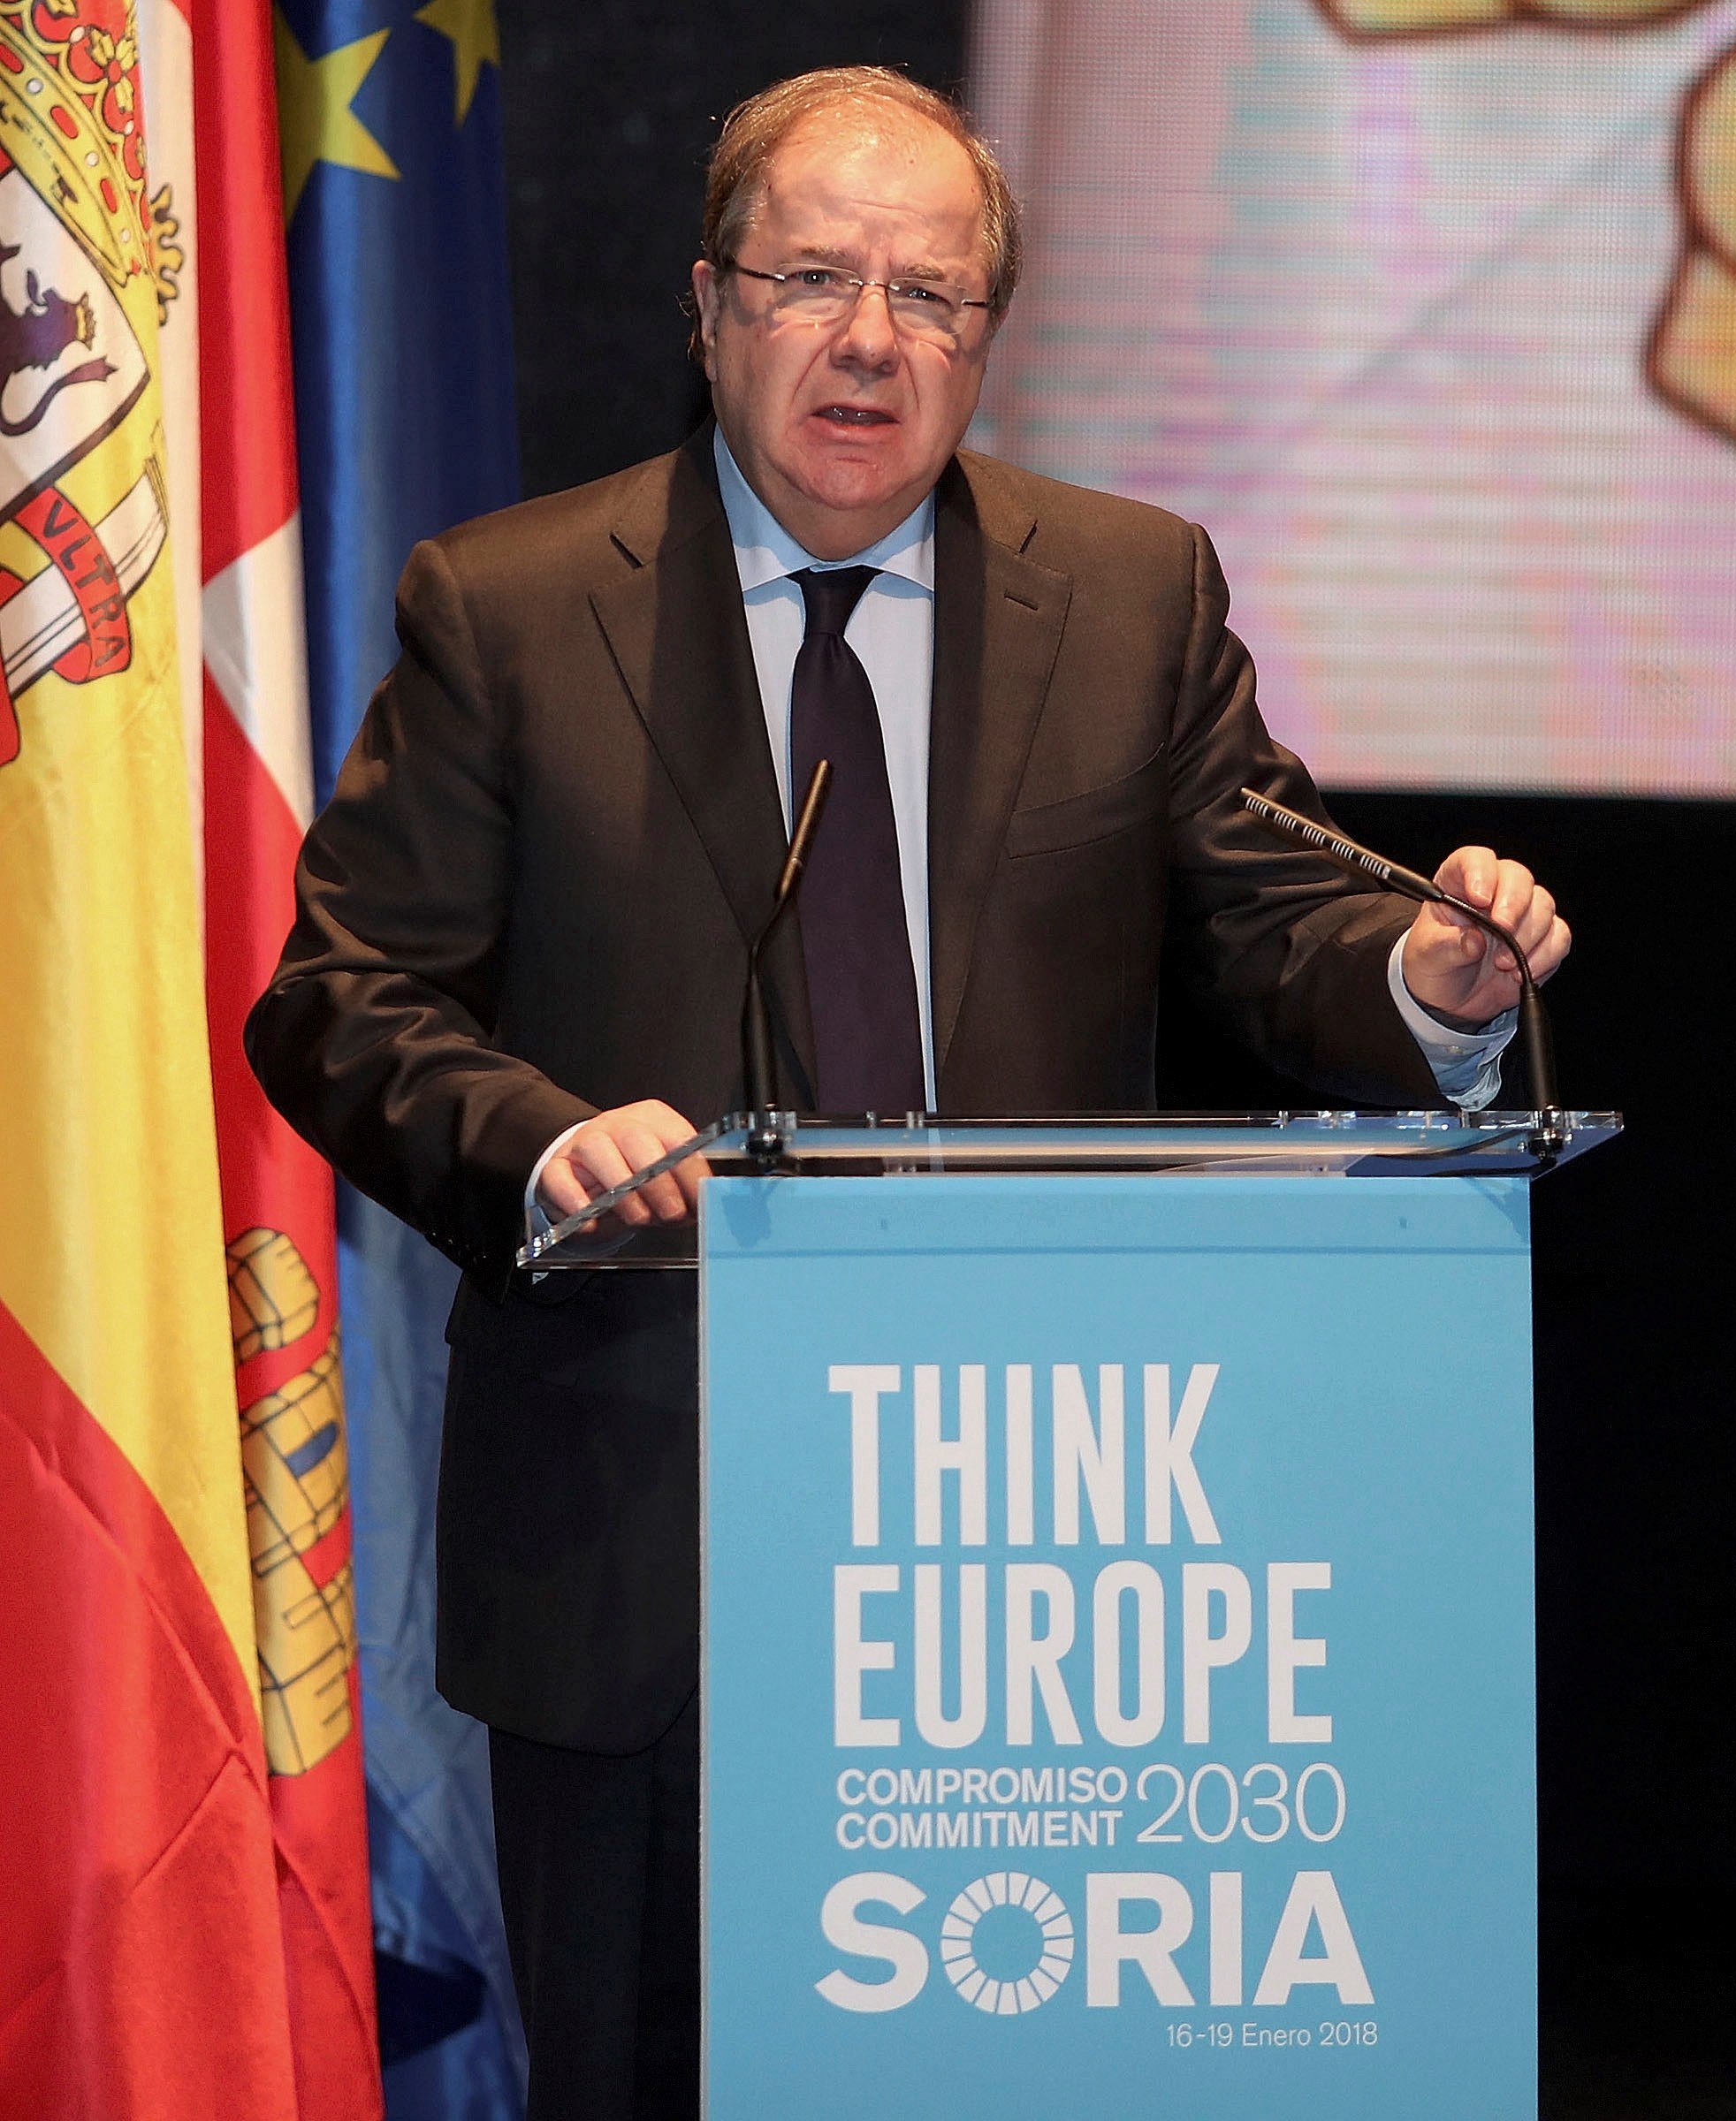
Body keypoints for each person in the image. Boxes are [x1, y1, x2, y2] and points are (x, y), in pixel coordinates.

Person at [246, 65, 1569, 2121]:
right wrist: (545, 1143)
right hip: (648, 1545)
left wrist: (1425, 980)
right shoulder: (507, 611)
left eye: (929, 295)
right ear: (707, 304)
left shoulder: (1126, 596)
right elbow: (342, 999)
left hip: (1037, 1561)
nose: (870, 339)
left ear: (984, 336)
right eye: (812, 278)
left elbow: (1273, 913)